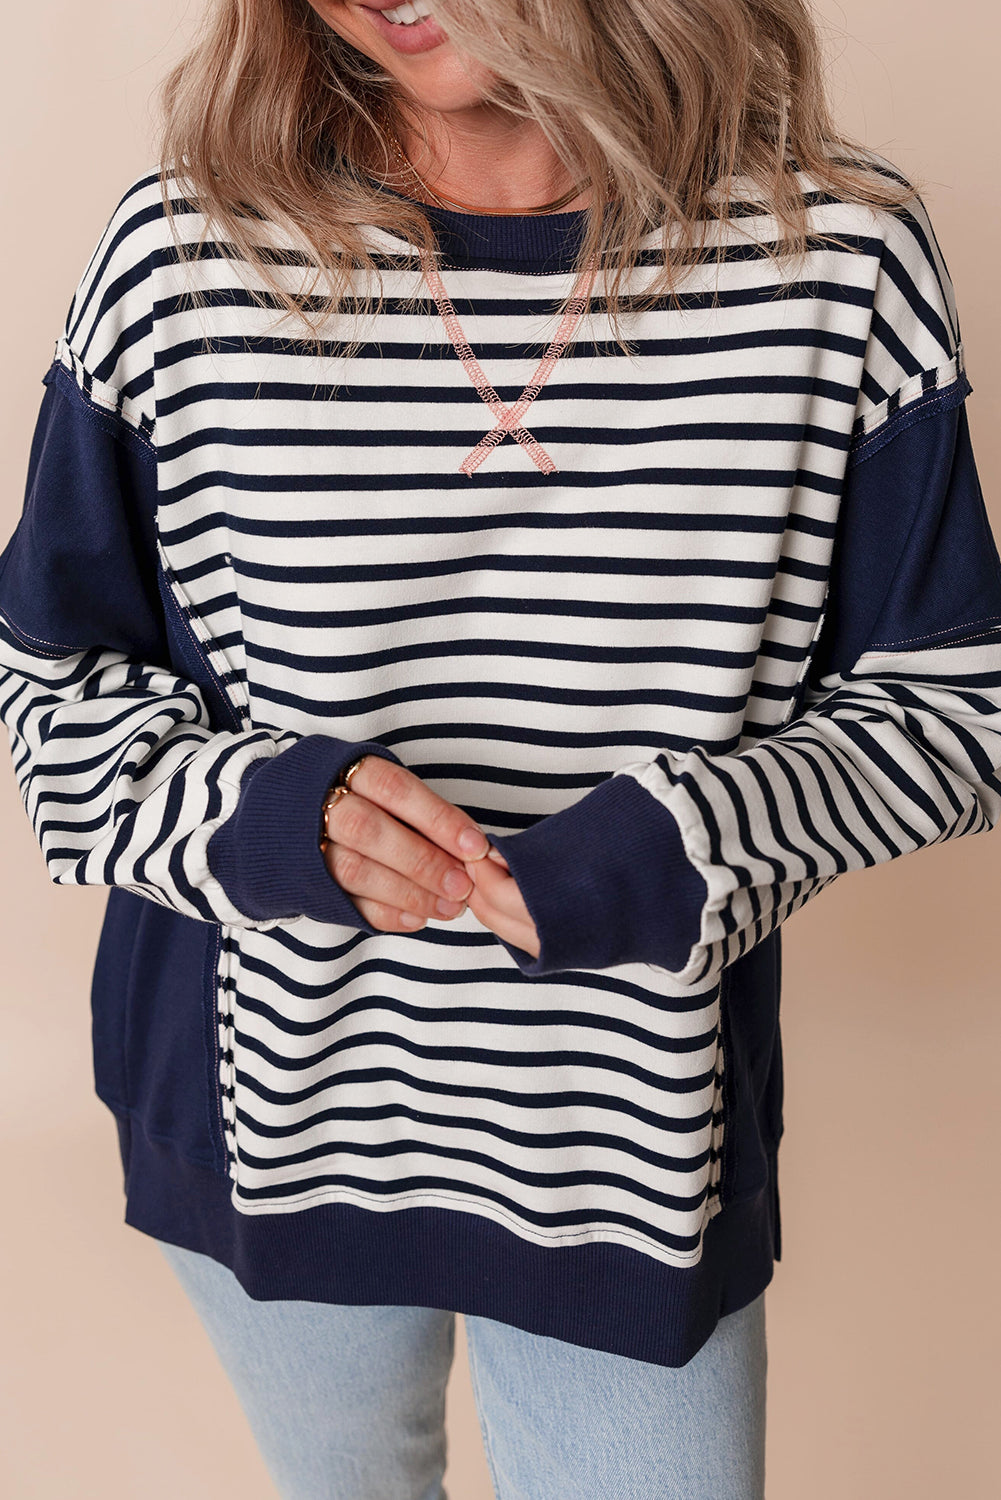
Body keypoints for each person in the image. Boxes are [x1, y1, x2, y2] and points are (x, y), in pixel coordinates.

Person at [2, 0, 1000, 1495]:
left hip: (634, 1136)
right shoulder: (182, 253)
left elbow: (957, 706)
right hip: (260, 1104)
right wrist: (262, 817)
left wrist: (691, 841)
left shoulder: (836, 261)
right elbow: (53, 685)